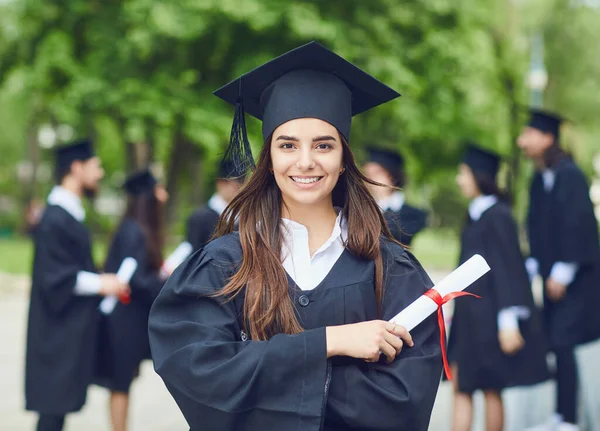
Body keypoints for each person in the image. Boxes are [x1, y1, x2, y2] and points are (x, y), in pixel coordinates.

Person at [148, 42, 443, 431]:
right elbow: (199, 375)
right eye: (287, 145)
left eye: (324, 145)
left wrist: (262, 376)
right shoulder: (223, 265)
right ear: (269, 159)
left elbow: (405, 402)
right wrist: (330, 343)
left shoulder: (390, 269)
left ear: (343, 160)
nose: (305, 161)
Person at [25, 139, 130, 431]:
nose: (99, 173)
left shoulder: (68, 213)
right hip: (54, 330)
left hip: (66, 327)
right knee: (51, 409)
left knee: (57, 408)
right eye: (95, 167)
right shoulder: (55, 217)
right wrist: (101, 283)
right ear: (76, 167)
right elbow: (54, 276)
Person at [448, 143, 549, 431]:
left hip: (489, 321)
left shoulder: (498, 215)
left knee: (491, 388)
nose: (459, 179)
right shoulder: (475, 213)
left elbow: (509, 270)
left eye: (463, 173)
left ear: (479, 175)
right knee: (462, 385)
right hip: (468, 320)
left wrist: (508, 322)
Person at [518, 109, 600, 431]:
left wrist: (562, 272)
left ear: (547, 138)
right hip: (552, 278)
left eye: (528, 134)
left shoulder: (570, 175)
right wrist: (535, 263)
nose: (522, 141)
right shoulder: (540, 178)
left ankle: (568, 418)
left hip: (576, 280)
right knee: (555, 341)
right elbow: (537, 227)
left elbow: (578, 227)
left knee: (564, 341)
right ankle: (563, 414)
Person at [95, 169, 169, 431]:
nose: (164, 195)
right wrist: (165, 281)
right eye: (159, 189)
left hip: (128, 318)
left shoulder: (133, 228)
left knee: (123, 381)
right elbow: (135, 280)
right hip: (123, 319)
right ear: (147, 196)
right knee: (121, 382)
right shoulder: (134, 232)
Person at [363, 147, 428, 246]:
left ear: (392, 175)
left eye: (377, 173)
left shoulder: (414, 215)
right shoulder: (363, 210)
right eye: (368, 174)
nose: (371, 180)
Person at [186, 159, 244, 252]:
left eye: (241, 183)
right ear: (220, 183)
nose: (238, 188)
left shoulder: (246, 218)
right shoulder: (199, 218)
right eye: (234, 184)